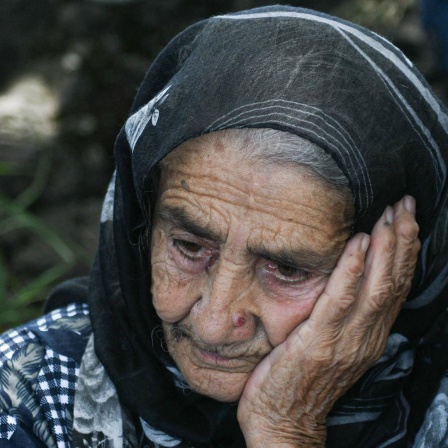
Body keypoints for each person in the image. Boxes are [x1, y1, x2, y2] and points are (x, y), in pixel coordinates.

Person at [0, 5, 447, 447]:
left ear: (393, 267)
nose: (213, 324)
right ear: (142, 224)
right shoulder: (26, 396)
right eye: (189, 247)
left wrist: (285, 429)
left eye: (288, 270)